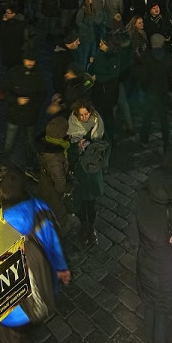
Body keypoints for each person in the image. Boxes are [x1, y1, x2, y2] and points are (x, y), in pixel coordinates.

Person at [0, 168, 70, 343]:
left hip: (12, 311)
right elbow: (54, 244)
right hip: (43, 292)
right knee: (27, 333)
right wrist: (63, 270)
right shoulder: (40, 207)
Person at [135, 168, 172, 343]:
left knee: (149, 307)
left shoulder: (140, 197)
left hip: (145, 262)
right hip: (164, 269)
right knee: (162, 312)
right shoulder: (170, 211)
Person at [67, 98, 108, 247]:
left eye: (86, 114)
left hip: (93, 170)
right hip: (80, 171)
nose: (84, 118)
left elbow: (106, 145)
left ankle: (91, 227)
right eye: (81, 115)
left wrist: (96, 150)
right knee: (80, 200)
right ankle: (83, 225)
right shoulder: (72, 125)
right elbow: (69, 151)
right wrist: (77, 147)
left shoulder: (98, 123)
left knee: (91, 201)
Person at [3, 50, 46, 171]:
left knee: (30, 143)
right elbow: (6, 92)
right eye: (28, 60)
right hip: (14, 115)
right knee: (9, 143)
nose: (30, 63)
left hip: (30, 116)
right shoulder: (13, 73)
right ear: (23, 60)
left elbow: (42, 94)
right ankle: (4, 164)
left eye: (33, 61)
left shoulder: (39, 76)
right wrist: (16, 100)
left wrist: (33, 105)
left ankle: (30, 166)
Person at [36, 116, 75, 233]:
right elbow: (60, 184)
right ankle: (63, 231)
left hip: (46, 184)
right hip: (52, 191)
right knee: (58, 211)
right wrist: (69, 186)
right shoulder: (54, 157)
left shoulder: (53, 144)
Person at [139, 34, 172, 150]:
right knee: (164, 120)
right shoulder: (168, 58)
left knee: (147, 117)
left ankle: (144, 140)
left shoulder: (146, 58)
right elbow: (171, 76)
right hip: (163, 92)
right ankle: (167, 143)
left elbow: (143, 77)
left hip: (151, 92)